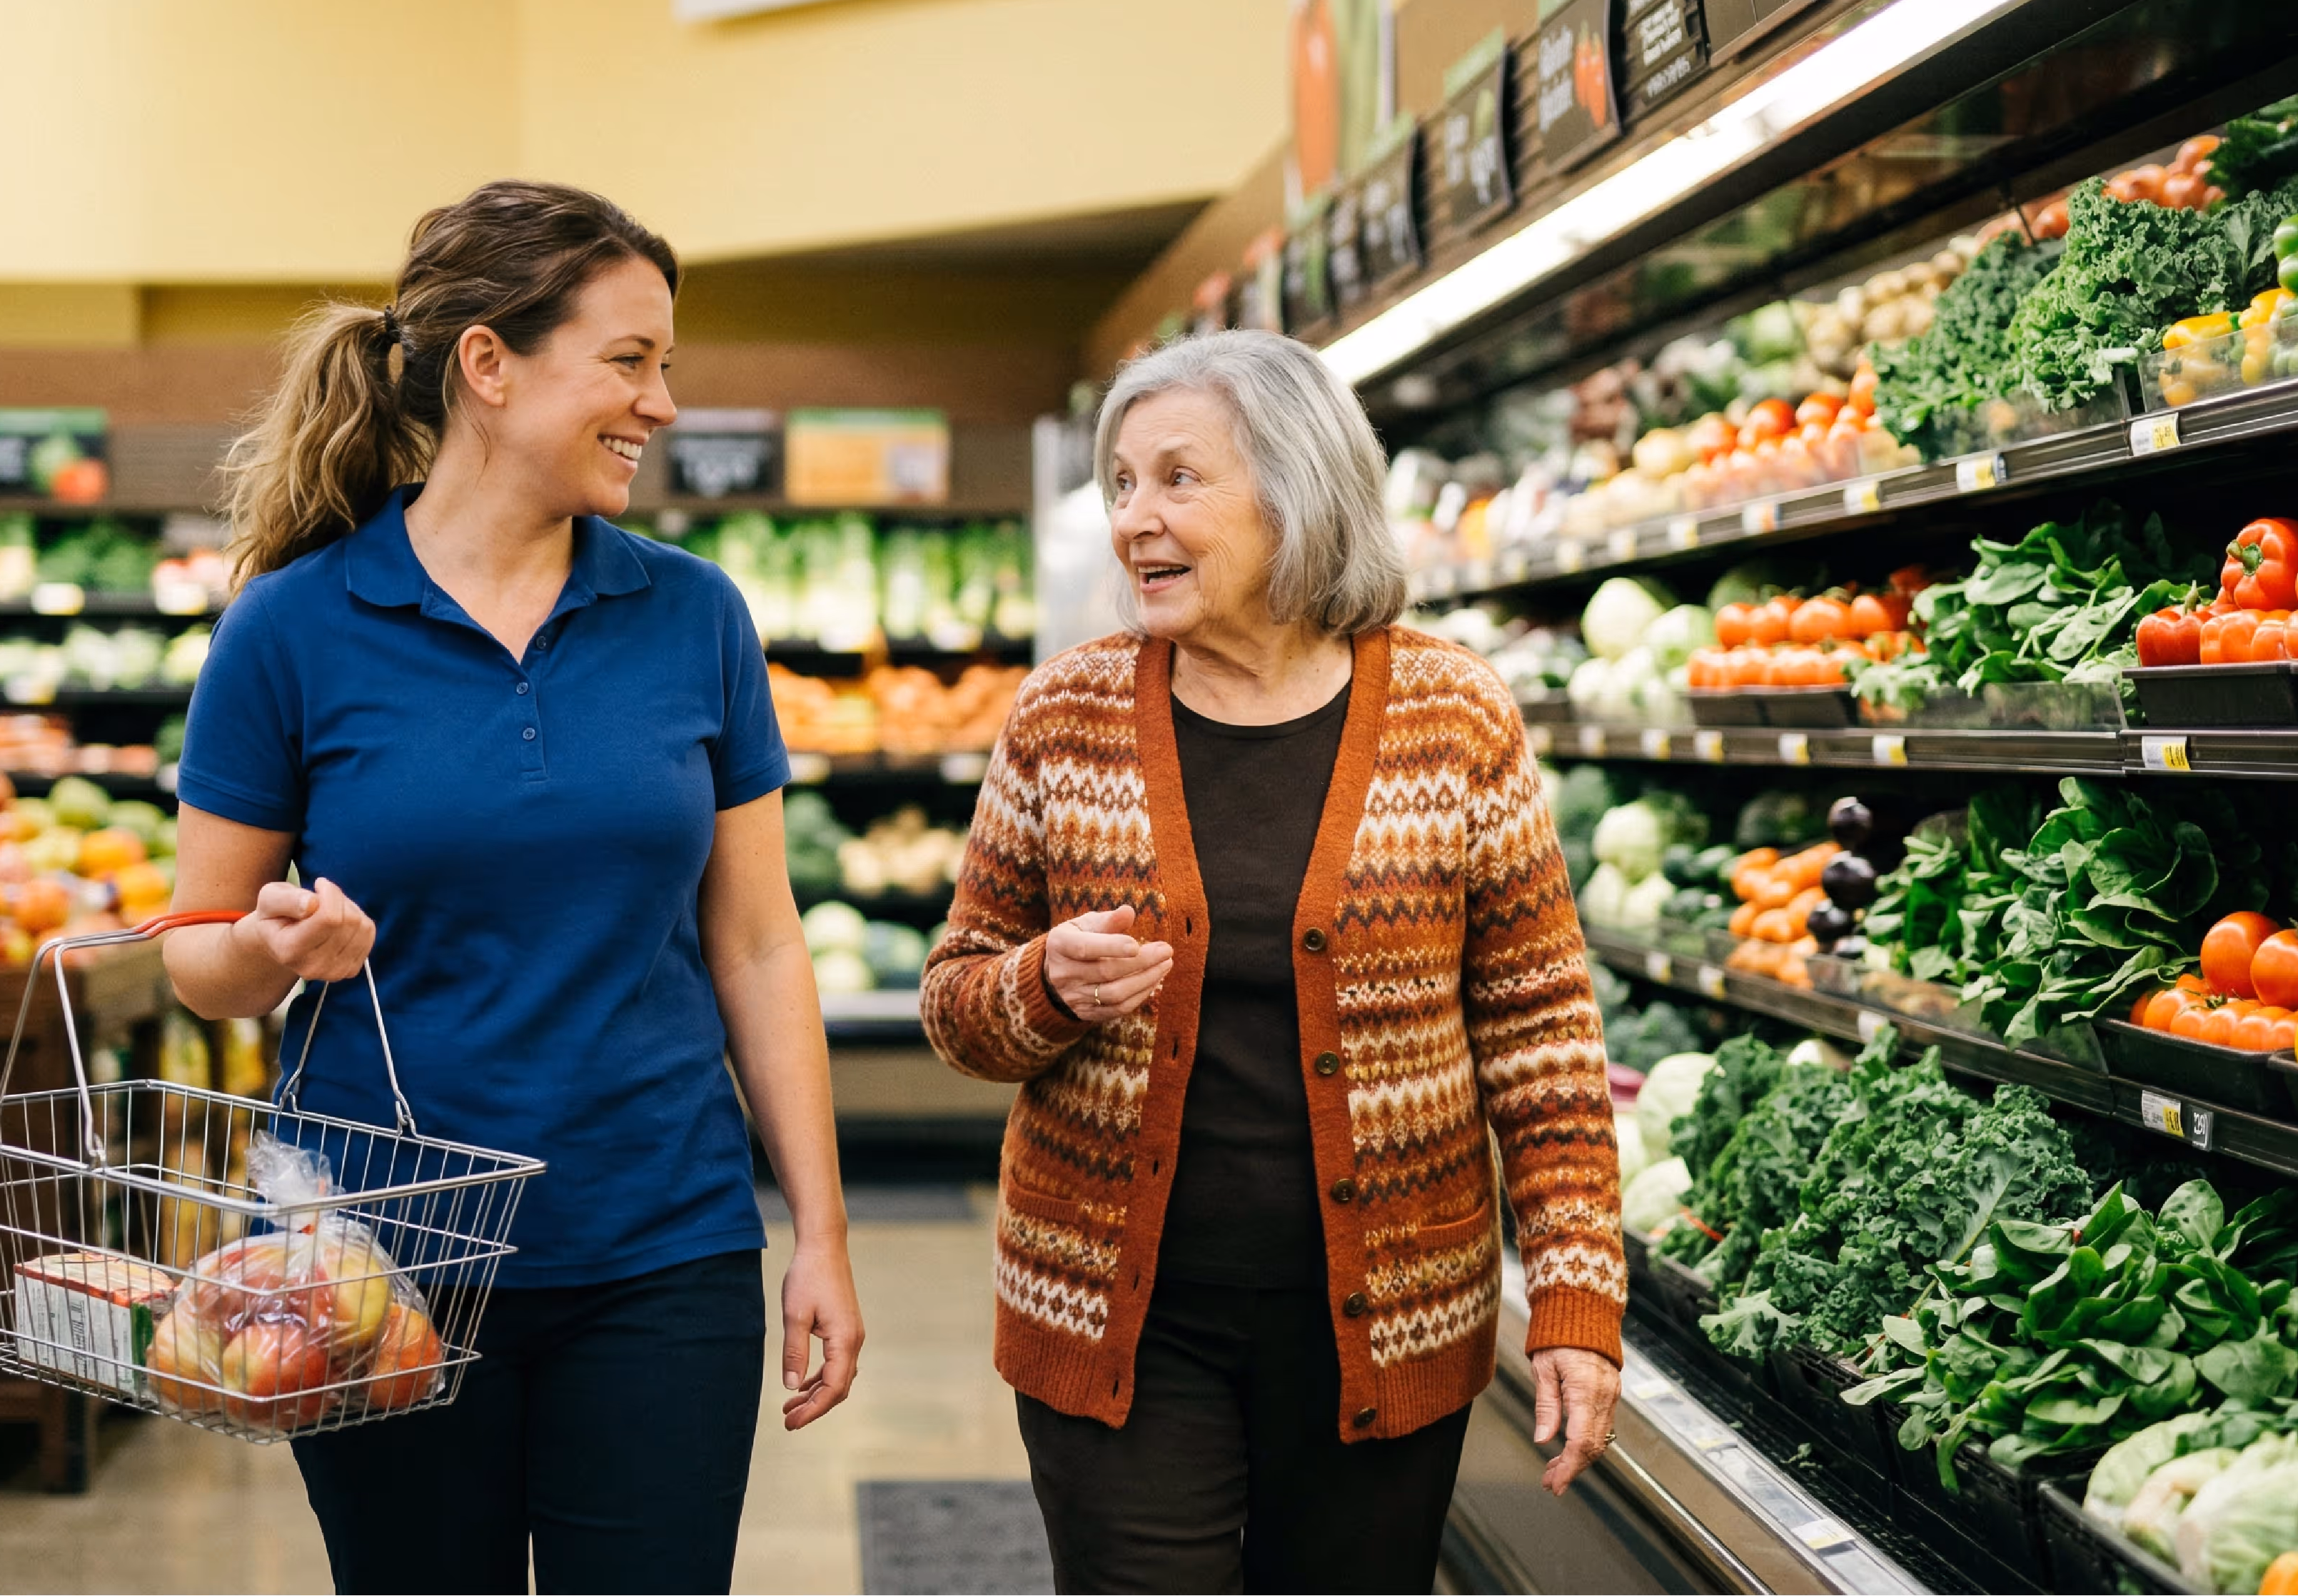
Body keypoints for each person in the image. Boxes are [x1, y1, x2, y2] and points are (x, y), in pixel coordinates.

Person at [161, 179, 862, 1595]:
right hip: (372, 1259)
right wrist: (273, 945)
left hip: (662, 1246)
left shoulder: (692, 613)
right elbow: (195, 951)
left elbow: (758, 948)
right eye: (629, 360)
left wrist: (820, 1238)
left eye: (662, 364)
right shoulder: (293, 626)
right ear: (489, 364)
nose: (662, 403)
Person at [921, 328, 1625, 1592]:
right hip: (1114, 1309)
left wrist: (1576, 1303)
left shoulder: (1451, 717)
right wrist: (1041, 988)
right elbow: (957, 999)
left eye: (1178, 479)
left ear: (1295, 491)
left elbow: (1542, 1039)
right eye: (1121, 483)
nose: (1136, 517)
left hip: (1386, 1314)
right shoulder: (1065, 717)